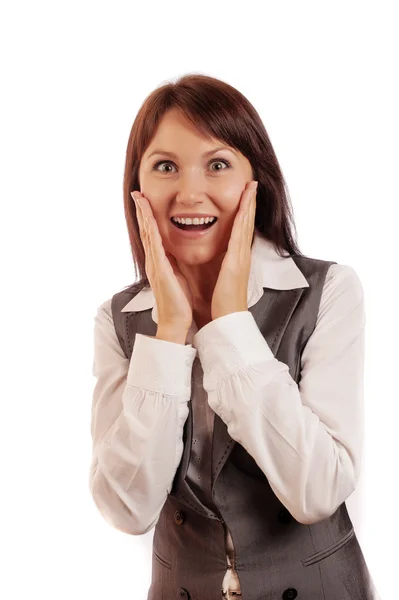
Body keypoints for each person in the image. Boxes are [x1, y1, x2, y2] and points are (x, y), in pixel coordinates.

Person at [89, 73, 380, 599]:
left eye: (217, 164)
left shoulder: (328, 291)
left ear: (256, 181)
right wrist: (170, 334)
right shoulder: (119, 321)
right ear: (137, 187)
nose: (189, 191)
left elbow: (318, 491)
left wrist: (227, 325)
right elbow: (126, 509)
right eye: (165, 166)